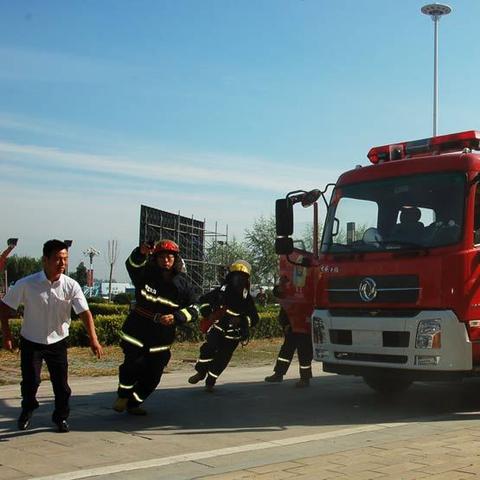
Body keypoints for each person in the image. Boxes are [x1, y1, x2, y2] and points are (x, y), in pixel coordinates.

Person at [0, 239, 103, 433]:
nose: (62, 263)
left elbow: (85, 313)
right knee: (31, 382)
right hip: (31, 341)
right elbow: (4, 309)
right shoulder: (27, 284)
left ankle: (61, 417)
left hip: (58, 341)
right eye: (57, 259)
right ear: (45, 260)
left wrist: (94, 340)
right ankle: (28, 409)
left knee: (62, 386)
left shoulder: (71, 286)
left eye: (65, 259)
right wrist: (7, 336)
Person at [113, 239, 199, 415]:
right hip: (137, 330)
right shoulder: (145, 274)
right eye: (161, 257)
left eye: (169, 257)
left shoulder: (183, 284)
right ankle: (123, 395)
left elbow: (196, 308)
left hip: (162, 337)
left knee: (154, 375)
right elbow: (132, 265)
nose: (165, 261)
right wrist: (140, 252)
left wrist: (177, 317)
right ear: (156, 259)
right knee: (132, 365)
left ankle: (134, 402)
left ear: (176, 260)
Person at [188, 260, 259, 392]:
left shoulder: (246, 298)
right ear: (231, 277)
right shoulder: (221, 291)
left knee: (222, 359)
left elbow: (254, 318)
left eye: (242, 277)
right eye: (236, 276)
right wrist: (207, 313)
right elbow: (203, 301)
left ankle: (210, 382)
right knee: (207, 350)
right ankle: (201, 372)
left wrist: (242, 321)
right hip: (218, 329)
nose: (239, 280)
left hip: (234, 334)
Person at [264, 276, 313, 388]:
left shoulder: (305, 286)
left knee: (304, 352)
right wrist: (281, 285)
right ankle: (278, 374)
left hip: (303, 325)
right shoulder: (289, 283)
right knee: (286, 350)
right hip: (290, 324)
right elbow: (277, 293)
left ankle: (305, 379)